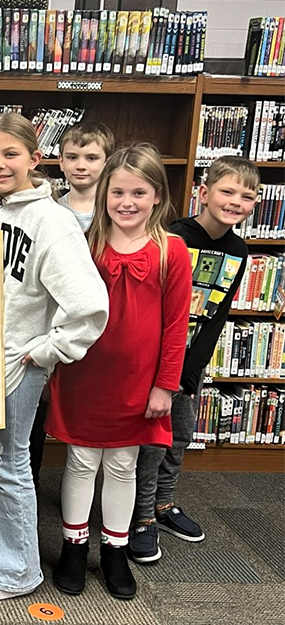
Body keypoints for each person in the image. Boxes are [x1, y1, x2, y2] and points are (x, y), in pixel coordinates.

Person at [0, 112, 109, 602]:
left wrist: (46, 352)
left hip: (18, 364)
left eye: (10, 154)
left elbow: (89, 307)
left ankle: (15, 569)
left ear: (35, 157)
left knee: (8, 462)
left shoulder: (54, 221)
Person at [46, 144, 190, 601]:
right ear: (104, 193)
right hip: (85, 373)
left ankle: (115, 549)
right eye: (118, 192)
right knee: (82, 460)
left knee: (124, 465)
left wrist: (166, 385)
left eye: (139, 193)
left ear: (158, 197)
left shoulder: (173, 250)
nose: (127, 202)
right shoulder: (85, 243)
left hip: (139, 380)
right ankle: (73, 545)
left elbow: (175, 325)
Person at [130, 156, 259, 563]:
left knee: (180, 434)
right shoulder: (172, 237)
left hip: (190, 363)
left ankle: (163, 504)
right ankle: (140, 516)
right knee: (152, 442)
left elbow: (217, 316)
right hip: (156, 356)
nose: (236, 201)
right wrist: (165, 369)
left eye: (247, 195)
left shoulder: (239, 250)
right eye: (227, 191)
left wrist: (191, 369)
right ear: (203, 193)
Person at [28, 121, 117, 491]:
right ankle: (31, 490)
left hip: (103, 329)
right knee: (38, 415)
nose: (82, 165)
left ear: (108, 161)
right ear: (58, 162)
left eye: (92, 157)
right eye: (72, 157)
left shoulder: (118, 211)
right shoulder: (48, 210)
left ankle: (90, 502)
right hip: (50, 326)